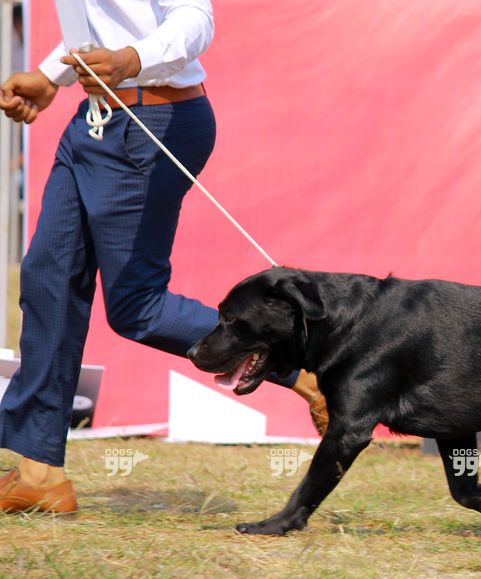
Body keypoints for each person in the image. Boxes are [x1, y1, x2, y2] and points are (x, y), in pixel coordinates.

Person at [0, 0, 327, 514]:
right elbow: (105, 22)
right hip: (96, 118)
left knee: (137, 307)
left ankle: (302, 370)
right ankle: (40, 472)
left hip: (150, 120)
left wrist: (131, 59)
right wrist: (49, 75)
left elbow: (196, 17)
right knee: (47, 282)